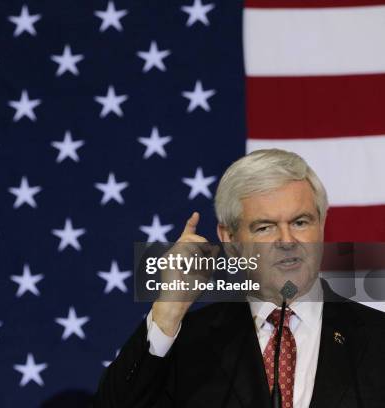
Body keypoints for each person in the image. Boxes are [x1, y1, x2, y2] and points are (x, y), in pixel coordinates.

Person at [93, 149, 385, 408]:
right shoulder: (188, 345)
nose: (287, 240)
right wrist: (167, 311)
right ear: (230, 240)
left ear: (321, 225)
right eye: (264, 227)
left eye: (300, 222)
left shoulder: (376, 338)